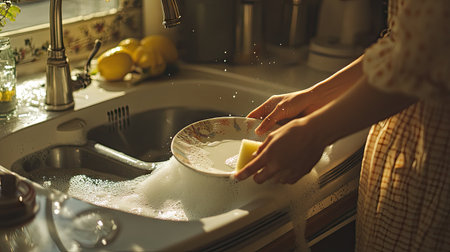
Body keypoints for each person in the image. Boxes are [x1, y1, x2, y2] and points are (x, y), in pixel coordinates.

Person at [234, 0, 449, 251]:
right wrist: (316, 95)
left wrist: (315, 132)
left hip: (435, 159)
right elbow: (403, 44)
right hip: (405, 149)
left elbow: (425, 59)